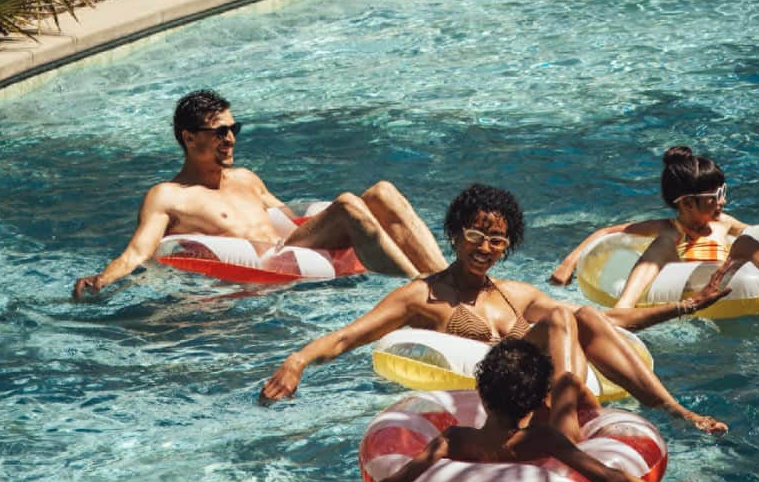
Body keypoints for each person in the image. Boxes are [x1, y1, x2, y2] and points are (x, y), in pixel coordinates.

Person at [260, 183, 731, 434]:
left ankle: (675, 412)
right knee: (569, 315)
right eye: (476, 234)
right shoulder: (422, 296)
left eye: (498, 239)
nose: (485, 246)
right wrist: (298, 360)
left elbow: (608, 323)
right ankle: (573, 422)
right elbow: (348, 336)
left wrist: (688, 305)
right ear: (455, 235)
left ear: (508, 245)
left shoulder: (516, 294)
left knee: (578, 314)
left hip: (541, 378)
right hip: (495, 390)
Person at [72, 90, 446, 299]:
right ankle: (425, 296)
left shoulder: (246, 178)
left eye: (234, 128)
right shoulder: (169, 196)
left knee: (383, 192)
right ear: (189, 137)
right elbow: (137, 252)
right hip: (263, 276)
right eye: (220, 132)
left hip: (293, 251)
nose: (231, 138)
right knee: (349, 203)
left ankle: (450, 280)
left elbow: (291, 220)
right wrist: (101, 280)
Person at [341, 338, 697, 482]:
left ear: (480, 394)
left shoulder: (455, 439)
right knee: (570, 382)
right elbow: (606, 477)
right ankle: (564, 387)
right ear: (535, 404)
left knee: (569, 384)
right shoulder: (543, 440)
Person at [550, 145, 759, 312]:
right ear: (688, 203)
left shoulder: (723, 222)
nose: (723, 201)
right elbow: (607, 233)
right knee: (665, 241)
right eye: (714, 197)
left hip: (726, 278)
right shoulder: (667, 227)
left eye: (722, 192)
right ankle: (624, 307)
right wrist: (567, 264)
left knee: (744, 241)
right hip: (686, 286)